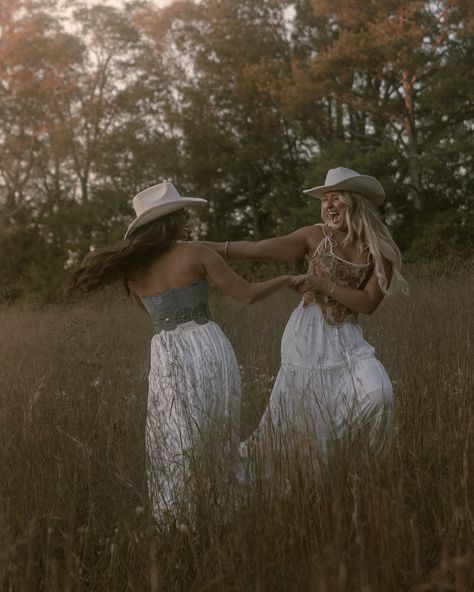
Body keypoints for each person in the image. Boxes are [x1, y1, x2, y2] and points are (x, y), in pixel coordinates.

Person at [66, 182, 291, 523]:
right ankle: (219, 508)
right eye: (183, 214)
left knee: (174, 433)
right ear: (170, 220)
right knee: (216, 427)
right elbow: (246, 294)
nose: (188, 218)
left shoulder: (131, 270)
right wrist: (286, 279)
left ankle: (179, 517)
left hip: (166, 352)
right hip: (206, 343)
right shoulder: (197, 253)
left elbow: (154, 316)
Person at [203, 167, 409, 468]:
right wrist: (201, 249)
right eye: (325, 200)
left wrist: (322, 284)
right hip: (307, 335)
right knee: (305, 416)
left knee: (380, 395)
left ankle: (371, 469)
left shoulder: (380, 252)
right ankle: (312, 474)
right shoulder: (315, 236)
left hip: (349, 339)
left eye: (335, 198)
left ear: (354, 201)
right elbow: (260, 249)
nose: (328, 206)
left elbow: (367, 304)